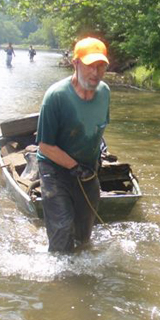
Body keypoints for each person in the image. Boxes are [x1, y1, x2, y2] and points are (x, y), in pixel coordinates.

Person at [36, 37, 110, 253]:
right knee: (62, 230)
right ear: (75, 63)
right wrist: (74, 167)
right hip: (55, 169)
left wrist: (92, 164)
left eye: (100, 67)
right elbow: (44, 146)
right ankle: (62, 282)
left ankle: (82, 279)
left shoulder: (105, 93)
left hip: (88, 170)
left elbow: (98, 129)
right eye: (89, 66)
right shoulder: (55, 97)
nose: (95, 73)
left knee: (84, 236)